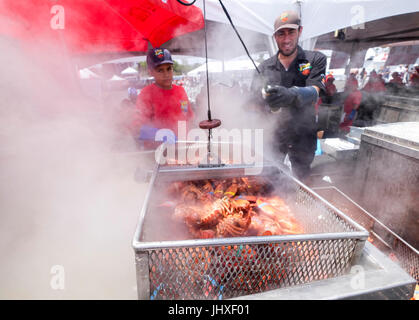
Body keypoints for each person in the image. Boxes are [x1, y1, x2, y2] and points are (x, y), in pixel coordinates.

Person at [250, 10, 327, 181]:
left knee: (302, 182)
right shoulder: (264, 67)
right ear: (275, 37)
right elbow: (254, 103)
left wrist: (291, 94)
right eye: (281, 34)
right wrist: (265, 100)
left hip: (303, 134)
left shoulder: (315, 59)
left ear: (300, 31)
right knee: (271, 181)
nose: (286, 40)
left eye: (291, 32)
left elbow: (315, 91)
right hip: (274, 136)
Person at [132, 48, 194, 146]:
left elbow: (187, 116)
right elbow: (137, 127)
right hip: (156, 152)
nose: (166, 74)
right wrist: (158, 134)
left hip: (182, 149)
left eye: (169, 68)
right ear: (151, 72)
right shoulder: (146, 94)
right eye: (160, 70)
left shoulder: (180, 91)